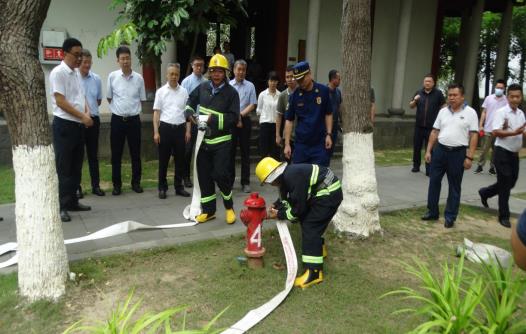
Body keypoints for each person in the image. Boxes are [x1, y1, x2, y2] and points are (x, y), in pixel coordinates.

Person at [256, 157, 343, 289]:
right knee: (309, 223)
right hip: (324, 191)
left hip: (328, 194)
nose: (270, 185)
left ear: (272, 178)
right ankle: (319, 250)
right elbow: (289, 198)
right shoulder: (288, 175)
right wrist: (277, 205)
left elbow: (298, 210)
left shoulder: (292, 177)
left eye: (268, 182)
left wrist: (279, 214)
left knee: (310, 227)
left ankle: (314, 273)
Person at [186, 54, 240, 224]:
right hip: (203, 142)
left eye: (220, 71)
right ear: (209, 72)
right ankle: (209, 211)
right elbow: (190, 101)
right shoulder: (202, 87)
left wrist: (212, 119)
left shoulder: (232, 93)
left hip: (222, 142)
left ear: (226, 73)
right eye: (213, 71)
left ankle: (229, 207)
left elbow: (233, 118)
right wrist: (189, 113)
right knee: (204, 176)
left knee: (220, 174)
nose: (216, 74)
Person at [421, 83, 478, 228]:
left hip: (458, 153)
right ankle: (432, 211)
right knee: (434, 181)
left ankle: (450, 216)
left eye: (455, 95)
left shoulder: (471, 113)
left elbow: (474, 136)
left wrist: (469, 157)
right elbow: (434, 132)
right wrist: (428, 151)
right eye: (450, 95)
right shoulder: (443, 112)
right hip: (440, 151)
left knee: (454, 186)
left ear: (462, 96)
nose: (451, 98)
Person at [49, 38, 93, 222]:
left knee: (76, 166)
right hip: (64, 124)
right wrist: (82, 116)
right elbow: (61, 101)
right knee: (64, 167)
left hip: (77, 125)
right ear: (64, 53)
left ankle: (73, 200)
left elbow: (80, 96)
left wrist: (87, 111)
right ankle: (62, 206)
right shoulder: (58, 73)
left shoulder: (76, 73)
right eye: (76, 55)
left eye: (80, 55)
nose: (79, 59)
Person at [478, 84, 525, 228]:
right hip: (501, 152)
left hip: (514, 154)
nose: (515, 99)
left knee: (511, 182)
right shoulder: (501, 112)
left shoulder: (521, 114)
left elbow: (523, 132)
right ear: (508, 97)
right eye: (512, 96)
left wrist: (521, 134)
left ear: (521, 97)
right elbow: (495, 132)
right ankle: (504, 216)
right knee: (505, 184)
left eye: (518, 96)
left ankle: (485, 192)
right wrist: (514, 133)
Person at [107, 45, 146, 196]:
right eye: (122, 58)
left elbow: (142, 99)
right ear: (117, 60)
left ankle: (136, 183)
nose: (125, 61)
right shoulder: (112, 77)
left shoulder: (139, 78)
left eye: (128, 58)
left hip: (134, 121)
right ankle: (117, 185)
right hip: (117, 120)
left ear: (131, 59)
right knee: (116, 154)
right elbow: (109, 98)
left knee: (135, 153)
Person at [153, 63, 191, 199]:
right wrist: (156, 132)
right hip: (165, 128)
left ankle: (178, 187)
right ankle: (162, 188)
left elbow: (187, 113)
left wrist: (188, 131)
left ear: (179, 75)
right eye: (172, 74)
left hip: (180, 129)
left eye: (176, 74)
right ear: (167, 75)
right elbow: (156, 114)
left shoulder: (184, 92)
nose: (174, 76)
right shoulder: (161, 92)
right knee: (163, 160)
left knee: (180, 160)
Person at [284, 61, 333, 167]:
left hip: (320, 144)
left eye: (302, 79)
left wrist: (329, 134)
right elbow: (289, 120)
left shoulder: (323, 91)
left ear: (309, 74)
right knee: (300, 177)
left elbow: (328, 114)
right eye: (298, 80)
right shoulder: (294, 96)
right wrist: (287, 144)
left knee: (319, 175)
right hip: (302, 145)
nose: (300, 83)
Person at [78, 49, 105, 197]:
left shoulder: (96, 79)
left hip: (94, 120)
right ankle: (77, 188)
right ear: (79, 62)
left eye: (89, 62)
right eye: (84, 62)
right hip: (78, 120)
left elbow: (99, 100)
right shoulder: (74, 78)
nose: (87, 65)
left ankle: (96, 186)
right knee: (78, 156)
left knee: (93, 155)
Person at [409, 74, 446, 176]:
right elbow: (411, 106)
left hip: (431, 127)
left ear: (433, 83)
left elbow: (444, 106)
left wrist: (442, 119)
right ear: (423, 82)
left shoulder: (438, 93)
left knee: (430, 148)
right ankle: (416, 166)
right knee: (417, 146)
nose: (427, 83)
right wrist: (415, 100)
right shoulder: (419, 93)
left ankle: (429, 168)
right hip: (419, 126)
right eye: (426, 81)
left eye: (429, 81)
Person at [230, 59, 257, 193]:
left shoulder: (250, 86)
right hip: (231, 122)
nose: (240, 72)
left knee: (246, 152)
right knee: (230, 152)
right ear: (234, 70)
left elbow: (252, 104)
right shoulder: (228, 85)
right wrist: (235, 117)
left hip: (245, 121)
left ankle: (245, 182)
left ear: (245, 71)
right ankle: (229, 181)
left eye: (243, 70)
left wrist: (240, 115)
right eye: (238, 69)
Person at [181, 55, 207, 188]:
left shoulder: (206, 81)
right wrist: (188, 122)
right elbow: (185, 104)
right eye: (196, 65)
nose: (199, 67)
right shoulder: (186, 82)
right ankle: (185, 177)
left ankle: (200, 176)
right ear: (192, 65)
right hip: (190, 120)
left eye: (201, 65)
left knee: (202, 150)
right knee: (188, 150)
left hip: (202, 119)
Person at [474, 79, 509, 175]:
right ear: (495, 87)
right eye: (498, 87)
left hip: (499, 130)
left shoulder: (506, 100)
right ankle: (480, 166)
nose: (499, 89)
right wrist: (480, 125)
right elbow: (484, 112)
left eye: (501, 88)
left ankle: (492, 168)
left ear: (504, 89)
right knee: (484, 149)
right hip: (488, 128)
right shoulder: (488, 98)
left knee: (496, 151)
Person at [257, 71, 281, 159]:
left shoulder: (280, 95)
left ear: (277, 82)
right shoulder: (262, 95)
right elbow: (258, 111)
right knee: (264, 151)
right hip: (265, 125)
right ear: (268, 81)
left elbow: (280, 112)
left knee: (275, 151)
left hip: (276, 126)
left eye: (275, 81)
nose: (273, 83)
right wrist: (264, 119)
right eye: (271, 80)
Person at [276, 65, 297, 162]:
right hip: (287, 137)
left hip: (301, 135)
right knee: (285, 165)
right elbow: (279, 116)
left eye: (292, 76)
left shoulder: (302, 93)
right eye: (287, 77)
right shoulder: (282, 95)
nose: (289, 79)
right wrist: (278, 135)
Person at [327, 69, 342, 157]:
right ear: (333, 79)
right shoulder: (324, 91)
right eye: (339, 79)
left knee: (331, 149)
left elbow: (339, 106)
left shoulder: (338, 92)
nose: (340, 81)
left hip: (335, 125)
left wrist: (342, 120)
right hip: (325, 126)